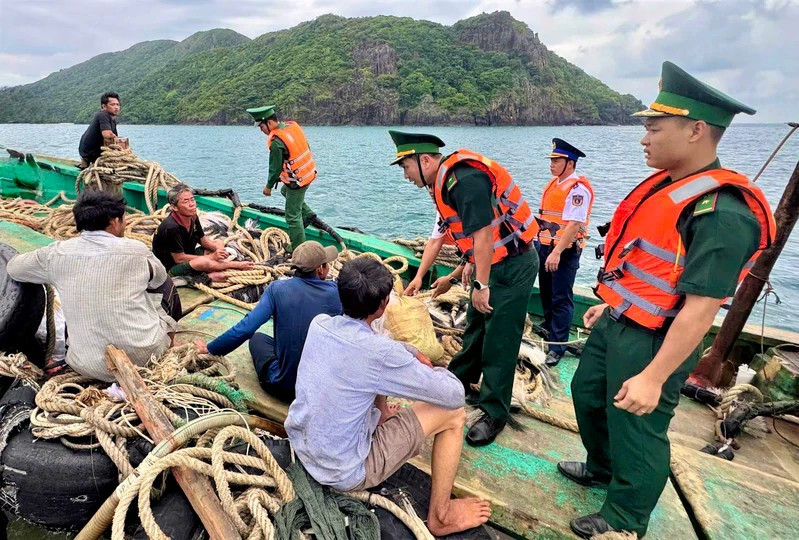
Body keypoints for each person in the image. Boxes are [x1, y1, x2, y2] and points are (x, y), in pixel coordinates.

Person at [560, 61, 776, 538]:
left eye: (654, 129)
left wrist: (654, 377)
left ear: (696, 130)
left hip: (655, 340)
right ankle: (601, 467)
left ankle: (625, 516)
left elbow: (701, 309)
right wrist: (612, 303)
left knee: (637, 426)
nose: (644, 139)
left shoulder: (722, 213)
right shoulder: (668, 185)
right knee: (587, 395)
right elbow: (649, 266)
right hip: (619, 321)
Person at [285, 257, 490, 536]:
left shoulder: (319, 324)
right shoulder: (381, 354)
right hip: (343, 472)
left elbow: (369, 357)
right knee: (453, 413)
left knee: (369, 378)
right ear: (383, 305)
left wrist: (405, 351)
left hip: (303, 446)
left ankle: (380, 415)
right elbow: (453, 395)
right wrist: (429, 368)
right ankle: (441, 516)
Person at [389, 131, 539, 446]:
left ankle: (493, 412)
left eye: (406, 167)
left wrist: (481, 285)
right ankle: (458, 382)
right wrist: (464, 267)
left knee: (500, 338)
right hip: (490, 262)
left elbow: (484, 236)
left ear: (424, 160)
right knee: (475, 325)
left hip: (512, 266)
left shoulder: (464, 181)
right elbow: (467, 236)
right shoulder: (444, 184)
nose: (406, 175)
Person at [7, 190, 178, 381]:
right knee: (166, 285)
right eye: (124, 217)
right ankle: (171, 342)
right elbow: (159, 279)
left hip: (85, 365)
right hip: (143, 358)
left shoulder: (55, 254)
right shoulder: (137, 250)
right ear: (114, 221)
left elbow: (13, 268)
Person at [194, 241, 342, 401]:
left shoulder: (277, 289)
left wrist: (210, 349)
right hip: (320, 390)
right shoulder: (338, 293)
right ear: (320, 269)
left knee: (257, 338)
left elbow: (246, 329)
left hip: (284, 387)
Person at [536, 138, 594, 367]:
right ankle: (549, 327)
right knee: (546, 291)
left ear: (570, 163)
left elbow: (574, 224)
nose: (552, 164)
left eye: (556, 160)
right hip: (545, 245)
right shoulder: (553, 184)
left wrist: (557, 252)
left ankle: (558, 345)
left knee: (561, 296)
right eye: (551, 160)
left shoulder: (578, 190)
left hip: (564, 249)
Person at [247, 105, 318, 253]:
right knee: (284, 191)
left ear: (269, 123)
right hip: (308, 173)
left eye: (261, 127)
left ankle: (297, 248)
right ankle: (308, 214)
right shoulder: (292, 128)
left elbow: (274, 168)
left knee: (292, 217)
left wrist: (268, 187)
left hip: (297, 182)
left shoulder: (277, 142)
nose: (261, 130)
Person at [152, 183, 253, 280]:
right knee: (203, 262)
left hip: (188, 253)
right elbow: (179, 259)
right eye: (186, 202)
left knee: (218, 242)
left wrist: (219, 251)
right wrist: (212, 257)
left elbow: (203, 240)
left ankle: (215, 265)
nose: (192, 204)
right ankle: (234, 265)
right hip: (170, 267)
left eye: (192, 199)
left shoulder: (192, 216)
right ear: (174, 207)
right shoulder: (171, 227)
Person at [403, 211, 464, 298]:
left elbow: (477, 252)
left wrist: (451, 278)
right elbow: (435, 242)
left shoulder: (472, 209)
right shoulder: (444, 210)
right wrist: (418, 277)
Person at [78, 92, 121, 168]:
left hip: (93, 151)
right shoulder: (102, 114)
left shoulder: (113, 120)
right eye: (113, 104)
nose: (116, 107)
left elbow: (114, 137)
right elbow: (107, 134)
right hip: (90, 152)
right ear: (104, 106)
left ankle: (87, 164)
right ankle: (86, 162)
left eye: (117, 104)